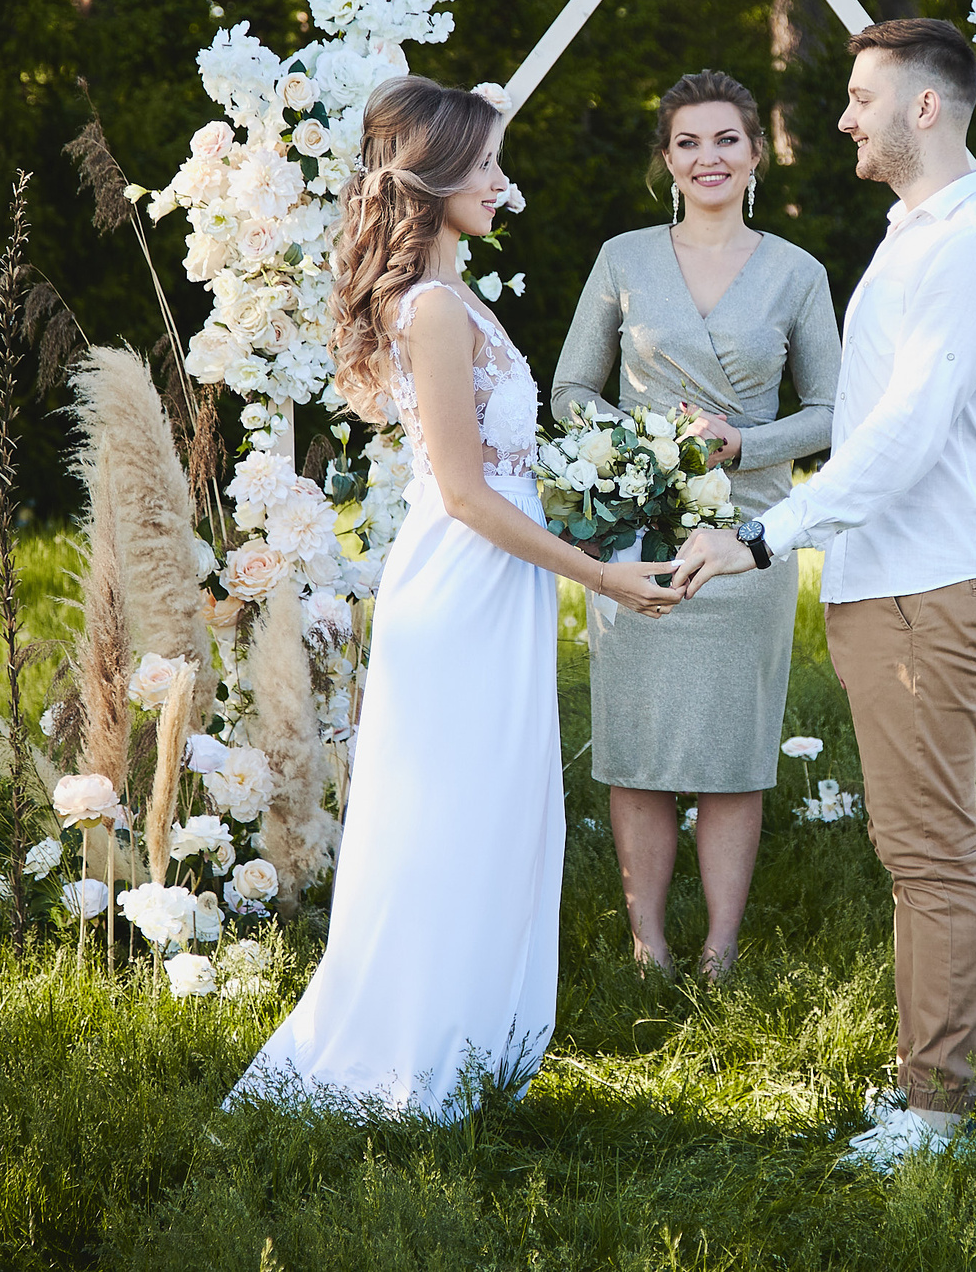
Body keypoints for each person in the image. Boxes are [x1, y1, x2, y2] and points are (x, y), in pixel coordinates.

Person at [229, 76, 682, 1120]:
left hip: (501, 586)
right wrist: (600, 574)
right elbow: (467, 492)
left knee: (500, 815)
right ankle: (412, 1053)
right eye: (482, 165)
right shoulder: (432, 309)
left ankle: (476, 1047)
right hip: (461, 587)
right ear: (428, 180)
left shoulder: (460, 296)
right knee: (449, 819)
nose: (501, 181)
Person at [669, 19, 976, 1165]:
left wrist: (763, 534)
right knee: (912, 849)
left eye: (860, 97)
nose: (843, 118)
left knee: (930, 854)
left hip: (933, 583)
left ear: (923, 106)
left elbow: (906, 434)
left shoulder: (972, 242)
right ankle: (924, 1089)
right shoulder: (918, 230)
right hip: (893, 582)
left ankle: (939, 1116)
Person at [553, 70, 842, 979]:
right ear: (667, 160)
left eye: (726, 140)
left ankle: (721, 949)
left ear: (756, 154)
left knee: (733, 751)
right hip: (635, 532)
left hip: (750, 539)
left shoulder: (798, 273)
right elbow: (570, 390)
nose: (707, 157)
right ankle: (648, 946)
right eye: (688, 142)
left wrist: (744, 442)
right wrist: (643, 445)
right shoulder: (623, 259)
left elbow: (834, 411)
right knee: (636, 748)